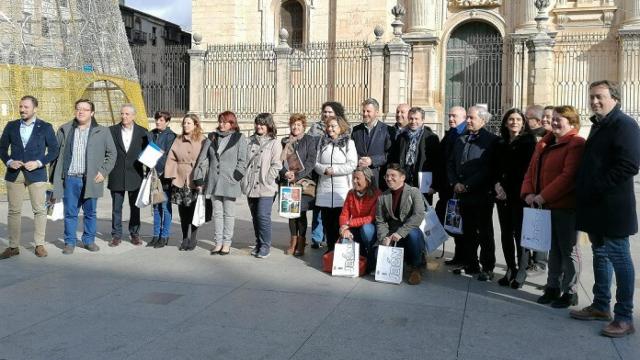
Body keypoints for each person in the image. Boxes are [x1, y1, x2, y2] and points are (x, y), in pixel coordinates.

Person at [570, 80, 640, 338]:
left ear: (615, 98)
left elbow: (629, 165)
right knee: (600, 255)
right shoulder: (601, 125)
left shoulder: (625, 125)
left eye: (600, 97)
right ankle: (601, 305)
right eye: (592, 98)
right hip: (596, 207)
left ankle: (624, 316)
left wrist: (596, 186)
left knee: (620, 258)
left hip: (613, 208)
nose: (595, 101)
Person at [521, 105, 585, 307]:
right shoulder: (544, 144)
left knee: (568, 250)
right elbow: (532, 170)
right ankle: (552, 287)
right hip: (546, 205)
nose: (554, 122)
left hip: (565, 206)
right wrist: (529, 192)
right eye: (553, 118)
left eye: (559, 119)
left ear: (572, 123)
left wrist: (542, 196)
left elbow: (568, 177)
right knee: (553, 250)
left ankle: (570, 291)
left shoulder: (575, 144)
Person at [49, 99, 117, 255]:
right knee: (70, 212)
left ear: (92, 113)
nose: (81, 112)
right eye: (78, 109)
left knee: (90, 212)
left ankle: (89, 241)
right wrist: (54, 177)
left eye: (85, 110)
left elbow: (112, 154)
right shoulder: (65, 129)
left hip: (91, 179)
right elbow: (55, 152)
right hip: (70, 178)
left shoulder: (102, 131)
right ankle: (69, 242)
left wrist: (103, 171)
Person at [0, 95, 58, 259]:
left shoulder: (45, 127)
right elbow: (2, 148)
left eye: (26, 107)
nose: (22, 110)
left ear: (35, 109)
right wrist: (9, 161)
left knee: (40, 210)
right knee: (13, 211)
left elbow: (54, 150)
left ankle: (39, 245)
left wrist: (39, 162)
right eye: (21, 107)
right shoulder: (11, 126)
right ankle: (13, 247)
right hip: (14, 174)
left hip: (37, 173)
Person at [448, 106, 500, 281]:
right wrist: (455, 182)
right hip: (462, 194)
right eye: (467, 118)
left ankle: (488, 267)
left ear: (483, 120)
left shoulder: (491, 140)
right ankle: (471, 263)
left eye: (472, 118)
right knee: (467, 231)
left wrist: (467, 185)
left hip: (481, 194)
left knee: (484, 232)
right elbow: (451, 163)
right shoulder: (460, 138)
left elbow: (487, 168)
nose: (468, 121)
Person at [193, 111, 248, 255]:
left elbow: (243, 160)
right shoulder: (212, 137)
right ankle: (218, 242)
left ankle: (227, 243)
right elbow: (203, 158)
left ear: (232, 123)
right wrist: (199, 178)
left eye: (225, 122)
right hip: (214, 181)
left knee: (228, 214)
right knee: (217, 214)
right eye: (220, 121)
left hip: (230, 181)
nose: (222, 124)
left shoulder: (239, 138)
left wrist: (236, 176)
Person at [494, 108, 536, 287]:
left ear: (523, 123)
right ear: (505, 122)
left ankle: (522, 270)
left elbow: (528, 170)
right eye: (511, 119)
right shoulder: (500, 142)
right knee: (505, 233)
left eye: (518, 119)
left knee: (520, 233)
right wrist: (496, 184)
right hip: (501, 194)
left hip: (519, 194)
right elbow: (493, 166)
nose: (514, 122)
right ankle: (510, 267)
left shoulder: (528, 141)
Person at [375, 164, 426, 285]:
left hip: (408, 231)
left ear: (403, 177)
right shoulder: (382, 196)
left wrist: (401, 232)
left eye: (393, 175)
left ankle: (416, 267)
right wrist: (384, 238)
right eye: (387, 176)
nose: (389, 178)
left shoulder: (414, 192)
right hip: (391, 233)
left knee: (414, 234)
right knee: (378, 255)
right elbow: (380, 220)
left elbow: (418, 215)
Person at [241, 113, 282, 259]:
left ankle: (265, 245)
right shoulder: (249, 141)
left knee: (263, 216)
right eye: (257, 123)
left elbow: (277, 164)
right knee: (255, 217)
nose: (259, 126)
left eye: (262, 124)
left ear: (269, 126)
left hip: (266, 187)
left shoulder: (274, 143)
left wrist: (267, 179)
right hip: (251, 185)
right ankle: (258, 242)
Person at [314, 115, 357, 252]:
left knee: (340, 221)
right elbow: (315, 163)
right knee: (327, 221)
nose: (330, 129)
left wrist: (335, 170)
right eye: (329, 126)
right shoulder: (322, 142)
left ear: (341, 128)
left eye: (333, 126)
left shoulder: (349, 143)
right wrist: (324, 169)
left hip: (341, 189)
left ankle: (340, 249)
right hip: (325, 188)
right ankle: (331, 248)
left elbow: (352, 165)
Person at [107, 104, 149, 247]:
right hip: (116, 174)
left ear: (133, 116)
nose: (124, 117)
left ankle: (135, 234)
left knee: (134, 207)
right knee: (116, 208)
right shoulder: (111, 131)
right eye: (122, 114)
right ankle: (116, 235)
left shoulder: (143, 132)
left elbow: (148, 154)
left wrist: (149, 174)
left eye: (127, 114)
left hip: (135, 175)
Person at [164, 114, 206, 251]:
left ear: (195, 125)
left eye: (188, 123)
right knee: (183, 212)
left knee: (194, 211)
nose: (185, 125)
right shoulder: (178, 140)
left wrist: (203, 178)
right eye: (184, 123)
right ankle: (184, 238)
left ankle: (193, 238)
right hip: (180, 179)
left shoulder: (203, 140)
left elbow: (206, 160)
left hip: (196, 179)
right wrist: (171, 175)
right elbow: (171, 158)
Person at [307, 101, 346, 249]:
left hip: (337, 176)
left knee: (335, 208)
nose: (327, 114)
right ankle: (317, 237)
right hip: (319, 171)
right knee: (319, 205)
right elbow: (309, 146)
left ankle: (334, 238)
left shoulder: (343, 128)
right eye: (325, 112)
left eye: (330, 112)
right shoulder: (315, 127)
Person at [280, 113, 318, 256]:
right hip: (289, 181)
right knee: (291, 212)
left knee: (300, 211)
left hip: (304, 182)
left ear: (303, 126)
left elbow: (311, 162)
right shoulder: (285, 141)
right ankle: (293, 242)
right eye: (293, 124)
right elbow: (280, 161)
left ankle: (301, 242)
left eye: (298, 125)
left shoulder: (310, 140)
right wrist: (285, 173)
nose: (295, 127)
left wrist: (297, 175)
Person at [391, 106, 441, 204]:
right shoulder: (401, 137)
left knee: (422, 211)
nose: (413, 121)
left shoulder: (431, 138)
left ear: (422, 120)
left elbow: (437, 163)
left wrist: (435, 185)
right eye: (411, 119)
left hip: (423, 181)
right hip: (405, 180)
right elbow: (395, 158)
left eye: (416, 119)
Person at [436, 106, 466, 266]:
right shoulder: (451, 133)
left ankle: (464, 257)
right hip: (446, 187)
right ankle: (459, 255)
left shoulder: (466, 133)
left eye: (454, 116)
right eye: (449, 115)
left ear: (464, 116)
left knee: (461, 224)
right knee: (448, 220)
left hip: (459, 187)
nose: (450, 119)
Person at [339, 166, 382, 273]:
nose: (354, 181)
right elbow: (344, 214)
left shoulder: (377, 194)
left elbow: (371, 218)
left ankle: (371, 258)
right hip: (354, 227)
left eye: (358, 178)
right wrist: (344, 228)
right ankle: (359, 260)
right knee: (345, 239)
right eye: (354, 178)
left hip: (371, 228)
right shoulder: (351, 193)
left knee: (366, 229)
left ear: (367, 180)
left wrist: (349, 223)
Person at [147, 111, 177, 248]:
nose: (158, 122)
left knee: (165, 207)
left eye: (161, 120)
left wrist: (154, 156)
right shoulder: (151, 134)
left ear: (167, 121)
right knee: (156, 206)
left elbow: (168, 157)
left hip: (164, 176)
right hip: (153, 176)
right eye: (156, 120)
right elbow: (149, 153)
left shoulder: (171, 136)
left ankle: (164, 236)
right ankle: (155, 235)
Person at [351, 98, 392, 188]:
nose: (365, 114)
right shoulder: (356, 130)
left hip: (378, 177)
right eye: (363, 111)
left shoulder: (387, 130)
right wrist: (359, 159)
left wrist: (372, 160)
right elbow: (351, 151)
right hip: (359, 177)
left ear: (376, 112)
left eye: (368, 111)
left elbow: (389, 154)